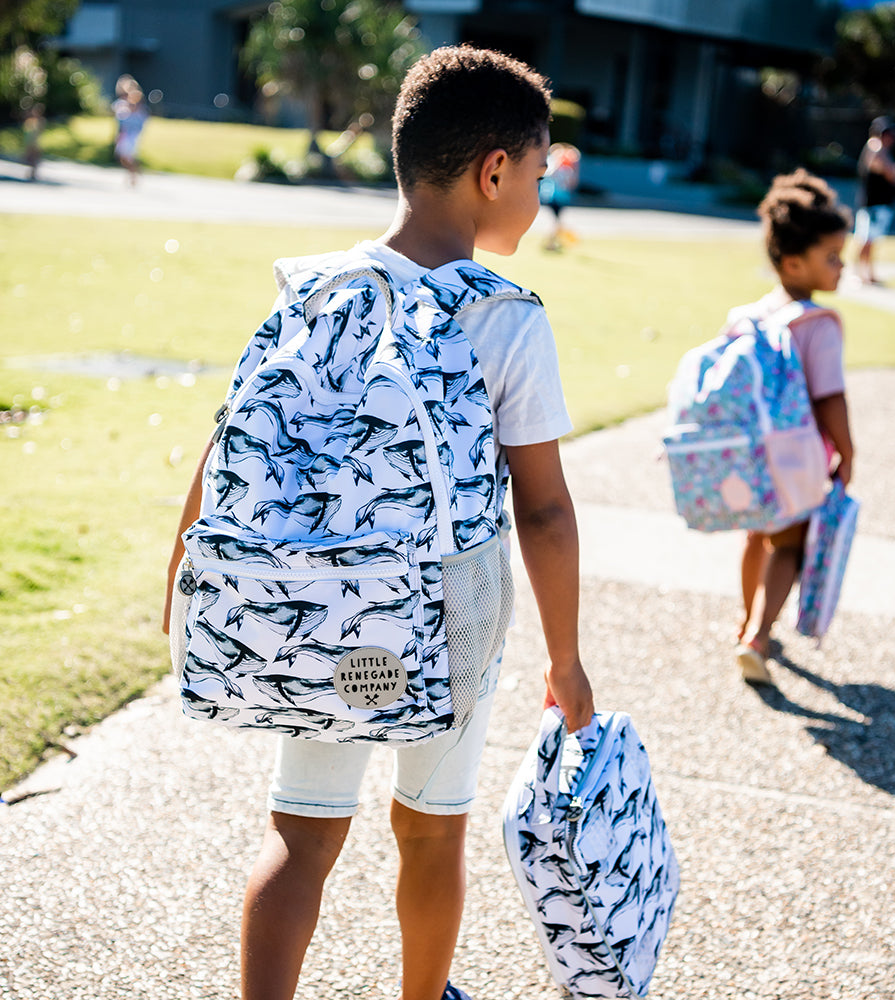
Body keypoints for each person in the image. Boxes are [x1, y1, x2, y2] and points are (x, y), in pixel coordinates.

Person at [162, 45, 595, 1000]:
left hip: (310, 598)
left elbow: (230, 438)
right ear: (493, 172)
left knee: (300, 834)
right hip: (447, 614)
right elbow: (545, 509)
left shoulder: (311, 287)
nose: (538, 192)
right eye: (538, 171)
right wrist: (565, 661)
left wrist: (185, 575)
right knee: (432, 830)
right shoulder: (504, 317)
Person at [733, 169, 856, 686]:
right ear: (793, 263)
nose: (842, 265)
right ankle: (758, 637)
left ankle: (747, 619)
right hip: (794, 460)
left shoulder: (749, 316)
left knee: (756, 534)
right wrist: (847, 453)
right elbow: (830, 397)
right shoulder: (817, 325)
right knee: (788, 545)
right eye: (832, 257)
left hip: (748, 452)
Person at [853, 116, 895, 285]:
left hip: (879, 204)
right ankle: (859, 273)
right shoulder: (875, 146)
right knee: (865, 240)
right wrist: (894, 170)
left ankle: (869, 272)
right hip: (872, 205)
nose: (891, 139)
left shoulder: (881, 150)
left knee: (872, 241)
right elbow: (892, 174)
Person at [539, 141, 581, 250]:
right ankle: (552, 242)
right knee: (556, 221)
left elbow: (573, 183)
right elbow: (549, 173)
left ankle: (552, 243)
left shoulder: (568, 170)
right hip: (553, 197)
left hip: (561, 197)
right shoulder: (554, 165)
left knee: (557, 221)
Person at [112, 74, 148, 186]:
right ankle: (135, 170)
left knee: (127, 156)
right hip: (124, 132)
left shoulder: (136, 102)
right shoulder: (121, 104)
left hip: (132, 134)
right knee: (121, 157)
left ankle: (133, 176)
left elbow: (141, 118)